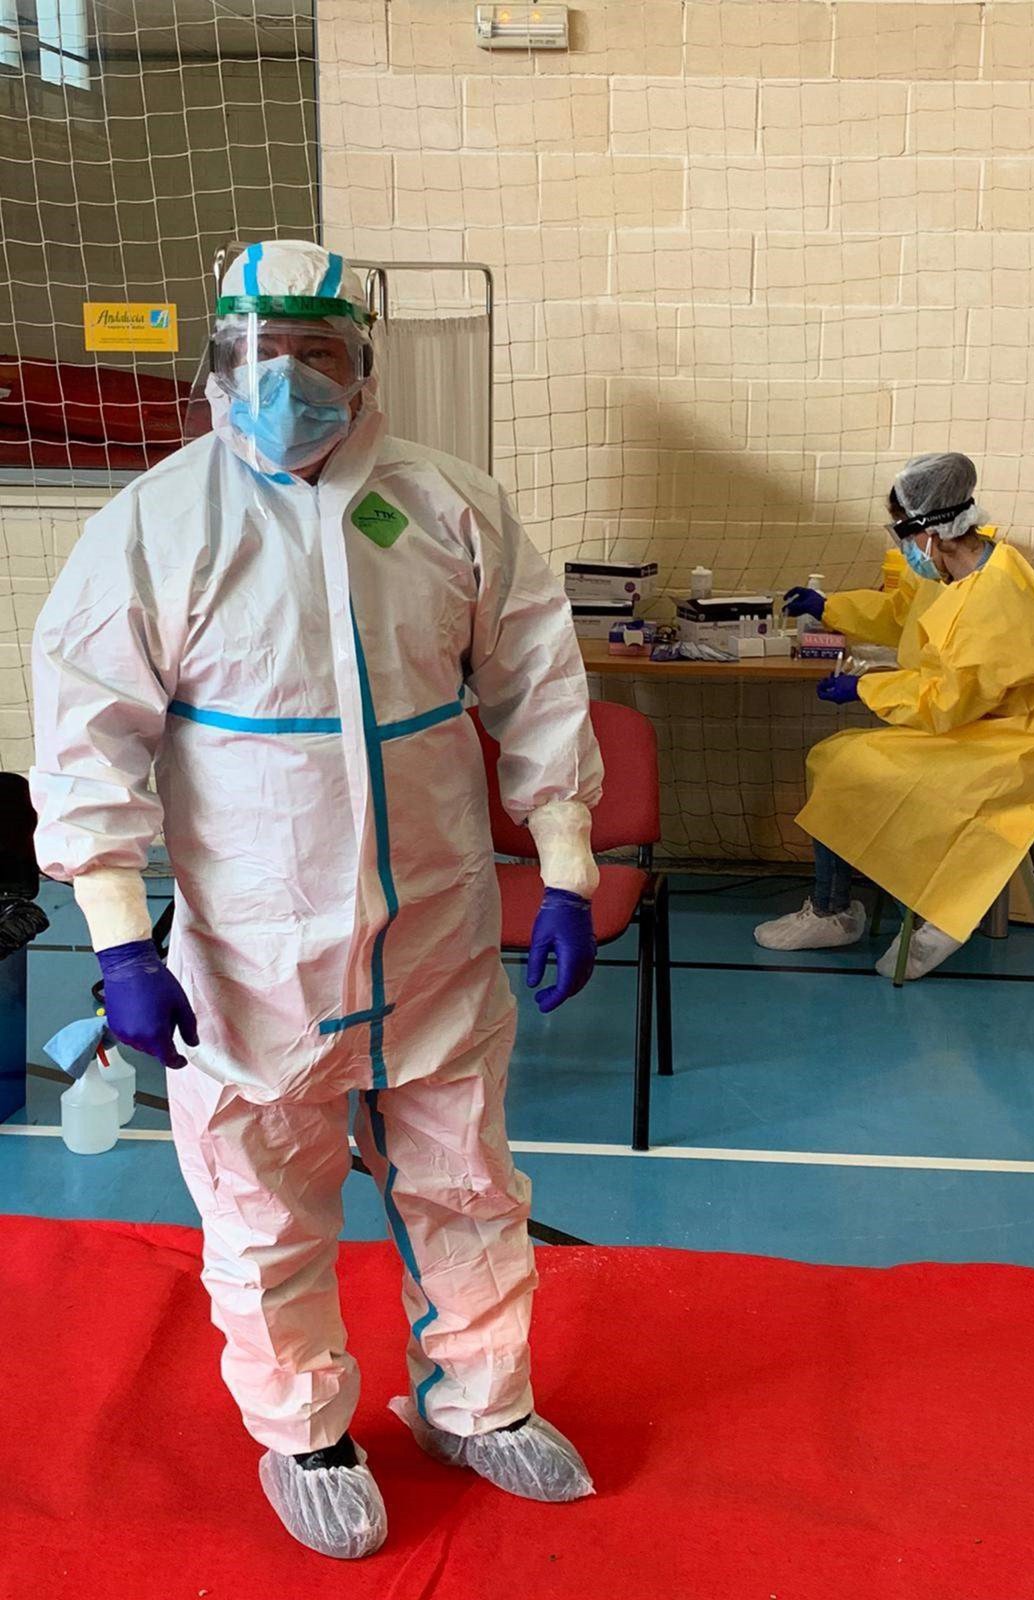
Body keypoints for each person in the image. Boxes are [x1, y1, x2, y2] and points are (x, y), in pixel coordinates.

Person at [31, 240, 604, 1560]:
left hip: (437, 927)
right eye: (263, 354)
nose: (289, 381)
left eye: (319, 354)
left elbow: (538, 684)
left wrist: (566, 868)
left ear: (367, 365)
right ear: (218, 363)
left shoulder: (447, 505)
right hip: (254, 946)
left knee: (467, 1179)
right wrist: (120, 942)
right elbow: (87, 747)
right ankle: (304, 1429)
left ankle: (481, 1400)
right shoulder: (155, 528)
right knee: (264, 1198)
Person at [755, 452, 1034, 981]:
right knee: (835, 758)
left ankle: (931, 914)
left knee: (849, 765)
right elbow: (902, 615)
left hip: (1009, 744)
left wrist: (865, 688)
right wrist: (829, 606)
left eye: (902, 530)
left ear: (932, 529)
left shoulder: (995, 596)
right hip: (975, 727)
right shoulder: (953, 569)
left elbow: (946, 701)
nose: (902, 545)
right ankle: (838, 911)